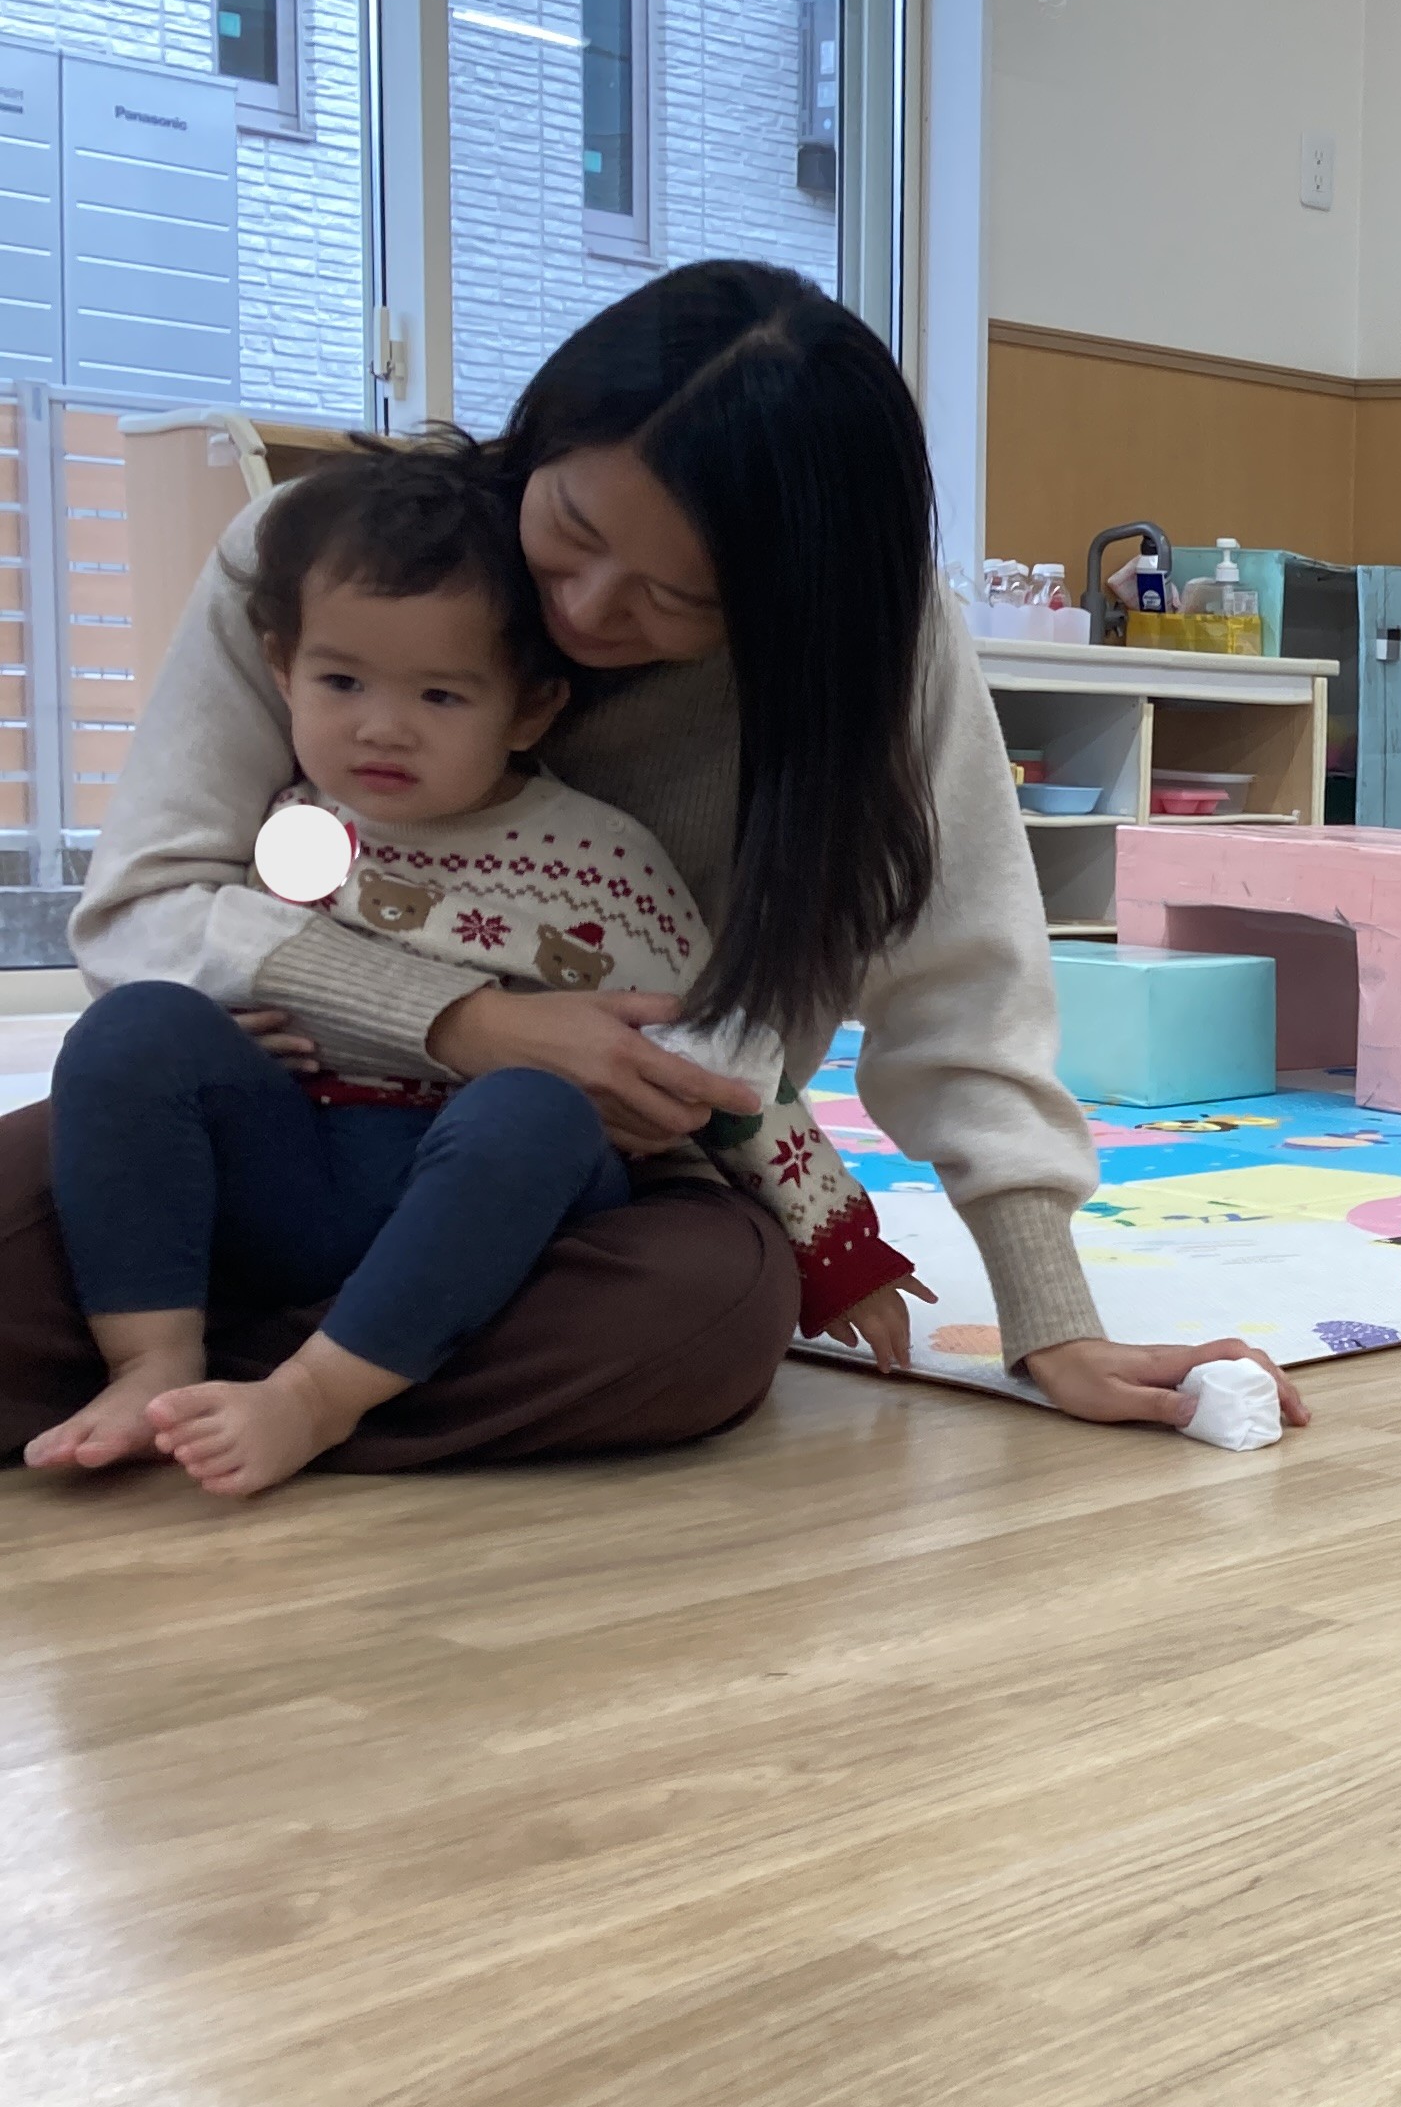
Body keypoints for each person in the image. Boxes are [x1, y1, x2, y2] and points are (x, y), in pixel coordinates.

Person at [2, 260, 1301, 1465]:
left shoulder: (874, 651)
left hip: (593, 1178)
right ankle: (282, 1369)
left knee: (705, 1314)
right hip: (284, 1118)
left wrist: (1051, 1317)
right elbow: (143, 910)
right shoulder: (324, 564)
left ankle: (255, 1380)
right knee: (108, 1125)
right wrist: (465, 1023)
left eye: (680, 598)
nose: (585, 608)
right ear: (542, 432)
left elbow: (965, 979)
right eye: (569, 528)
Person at [30, 443, 910, 1493]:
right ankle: (154, 1366)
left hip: (488, 1191)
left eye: (441, 696)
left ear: (530, 709)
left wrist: (840, 1250)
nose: (381, 727)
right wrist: (212, 1019)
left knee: (536, 1113)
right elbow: (179, 951)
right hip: (293, 1164)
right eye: (340, 682)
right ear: (280, 671)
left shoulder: (604, 860)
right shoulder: (290, 820)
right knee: (129, 1029)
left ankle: (315, 1395)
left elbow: (726, 1057)